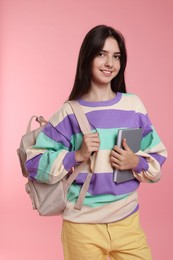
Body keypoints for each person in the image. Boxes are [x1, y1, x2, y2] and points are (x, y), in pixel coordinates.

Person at [25, 25, 167, 260]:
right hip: (82, 228)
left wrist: (136, 162)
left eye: (116, 56)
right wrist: (76, 156)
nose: (110, 63)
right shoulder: (69, 112)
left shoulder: (134, 106)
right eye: (101, 54)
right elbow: (34, 162)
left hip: (128, 222)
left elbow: (157, 162)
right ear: (87, 58)